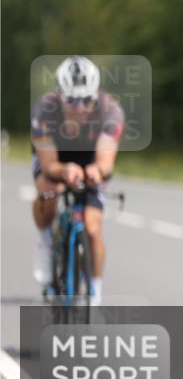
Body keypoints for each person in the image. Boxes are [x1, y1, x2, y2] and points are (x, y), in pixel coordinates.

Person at [30, 56, 124, 304]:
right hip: (56, 155)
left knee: (93, 227)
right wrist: (64, 171)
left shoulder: (110, 111)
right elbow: (49, 165)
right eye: (72, 100)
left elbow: (106, 162)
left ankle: (95, 289)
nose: (79, 107)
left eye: (86, 100)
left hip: (90, 155)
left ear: (96, 96)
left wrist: (96, 171)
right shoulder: (44, 111)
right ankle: (45, 241)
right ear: (60, 96)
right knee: (48, 193)